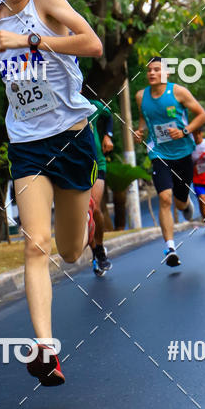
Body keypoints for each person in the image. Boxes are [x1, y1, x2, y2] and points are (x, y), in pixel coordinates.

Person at [0, 0, 103, 386]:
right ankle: (46, 348)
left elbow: (92, 44)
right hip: (26, 142)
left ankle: (83, 220)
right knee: (35, 243)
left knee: (69, 250)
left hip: (71, 137)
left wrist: (32, 39)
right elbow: (0, 47)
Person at [134, 57, 205, 266]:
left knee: (179, 199)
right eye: (149, 70)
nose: (152, 73)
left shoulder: (178, 92)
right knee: (165, 198)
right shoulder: (141, 96)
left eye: (157, 70)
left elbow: (202, 115)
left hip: (183, 152)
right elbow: (143, 119)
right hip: (158, 152)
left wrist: (184, 131)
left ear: (166, 73)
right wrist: (140, 132)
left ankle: (184, 205)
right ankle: (170, 247)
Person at [88, 97, 114, 276]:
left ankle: (100, 248)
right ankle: (95, 252)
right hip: (73, 167)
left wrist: (107, 135)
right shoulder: (59, 107)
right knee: (86, 214)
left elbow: (109, 115)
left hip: (97, 162)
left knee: (95, 209)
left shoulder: (92, 106)